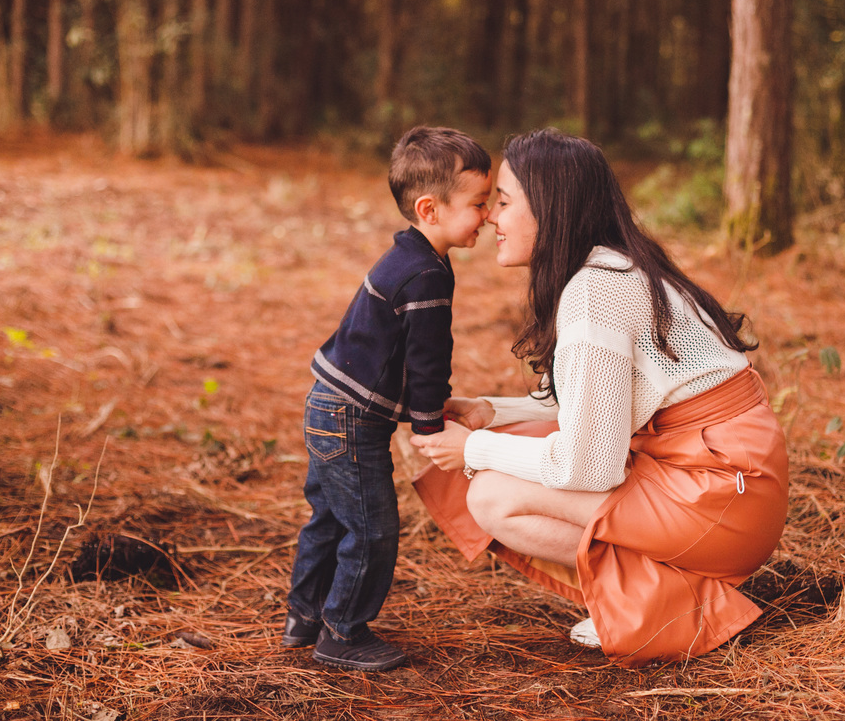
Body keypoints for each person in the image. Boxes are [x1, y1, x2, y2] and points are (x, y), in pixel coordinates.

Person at [410, 128, 788, 666]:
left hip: (720, 495)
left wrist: (472, 448)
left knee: (491, 493)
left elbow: (589, 465)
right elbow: (598, 405)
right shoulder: (613, 268)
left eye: (506, 202)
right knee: (508, 443)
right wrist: (491, 413)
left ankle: (659, 601)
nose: (491, 216)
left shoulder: (597, 292)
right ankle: (645, 592)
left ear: (551, 209)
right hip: (726, 480)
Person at [282, 126, 492, 671]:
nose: (489, 215)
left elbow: (395, 356)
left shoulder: (411, 258)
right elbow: (426, 360)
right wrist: (429, 429)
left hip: (328, 405)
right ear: (430, 209)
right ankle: (342, 633)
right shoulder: (425, 275)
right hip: (350, 420)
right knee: (373, 529)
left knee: (330, 518)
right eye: (478, 203)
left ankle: (304, 616)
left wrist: (437, 407)